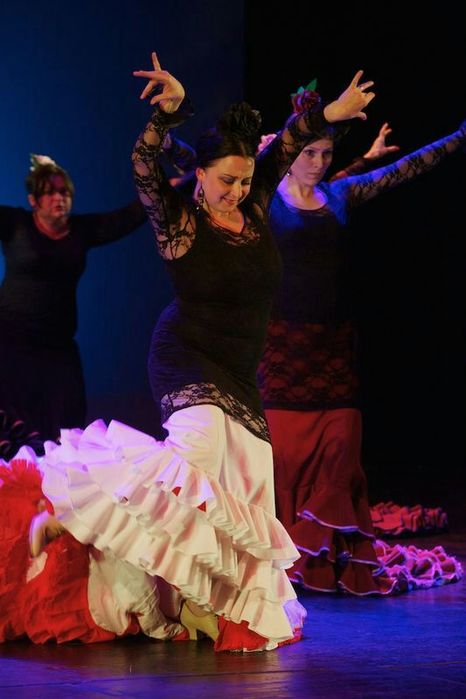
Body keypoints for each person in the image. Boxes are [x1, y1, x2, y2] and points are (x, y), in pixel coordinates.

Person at [23, 53, 376, 651]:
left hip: (239, 369)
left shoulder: (255, 203)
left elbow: (289, 144)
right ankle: (66, 517)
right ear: (202, 177)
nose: (237, 191)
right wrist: (167, 116)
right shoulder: (179, 226)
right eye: (225, 181)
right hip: (185, 356)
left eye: (244, 180)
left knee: (249, 485)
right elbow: (143, 166)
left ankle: (206, 600)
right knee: (196, 455)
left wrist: (331, 114)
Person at [256, 86, 465, 595]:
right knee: (284, 455)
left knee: (340, 449)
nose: (318, 163)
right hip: (283, 350)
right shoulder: (263, 195)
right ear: (290, 149)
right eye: (309, 152)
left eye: (327, 155)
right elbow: (212, 165)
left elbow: (406, 169)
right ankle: (289, 556)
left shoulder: (340, 195)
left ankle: (330, 556)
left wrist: (459, 137)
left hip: (333, 350)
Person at [0, 154, 147, 444]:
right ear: (33, 200)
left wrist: (174, 185)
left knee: (67, 422)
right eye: (50, 192)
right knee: (17, 424)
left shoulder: (81, 230)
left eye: (64, 191)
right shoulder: (15, 223)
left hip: (57, 345)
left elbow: (128, 217)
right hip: (10, 340)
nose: (59, 198)